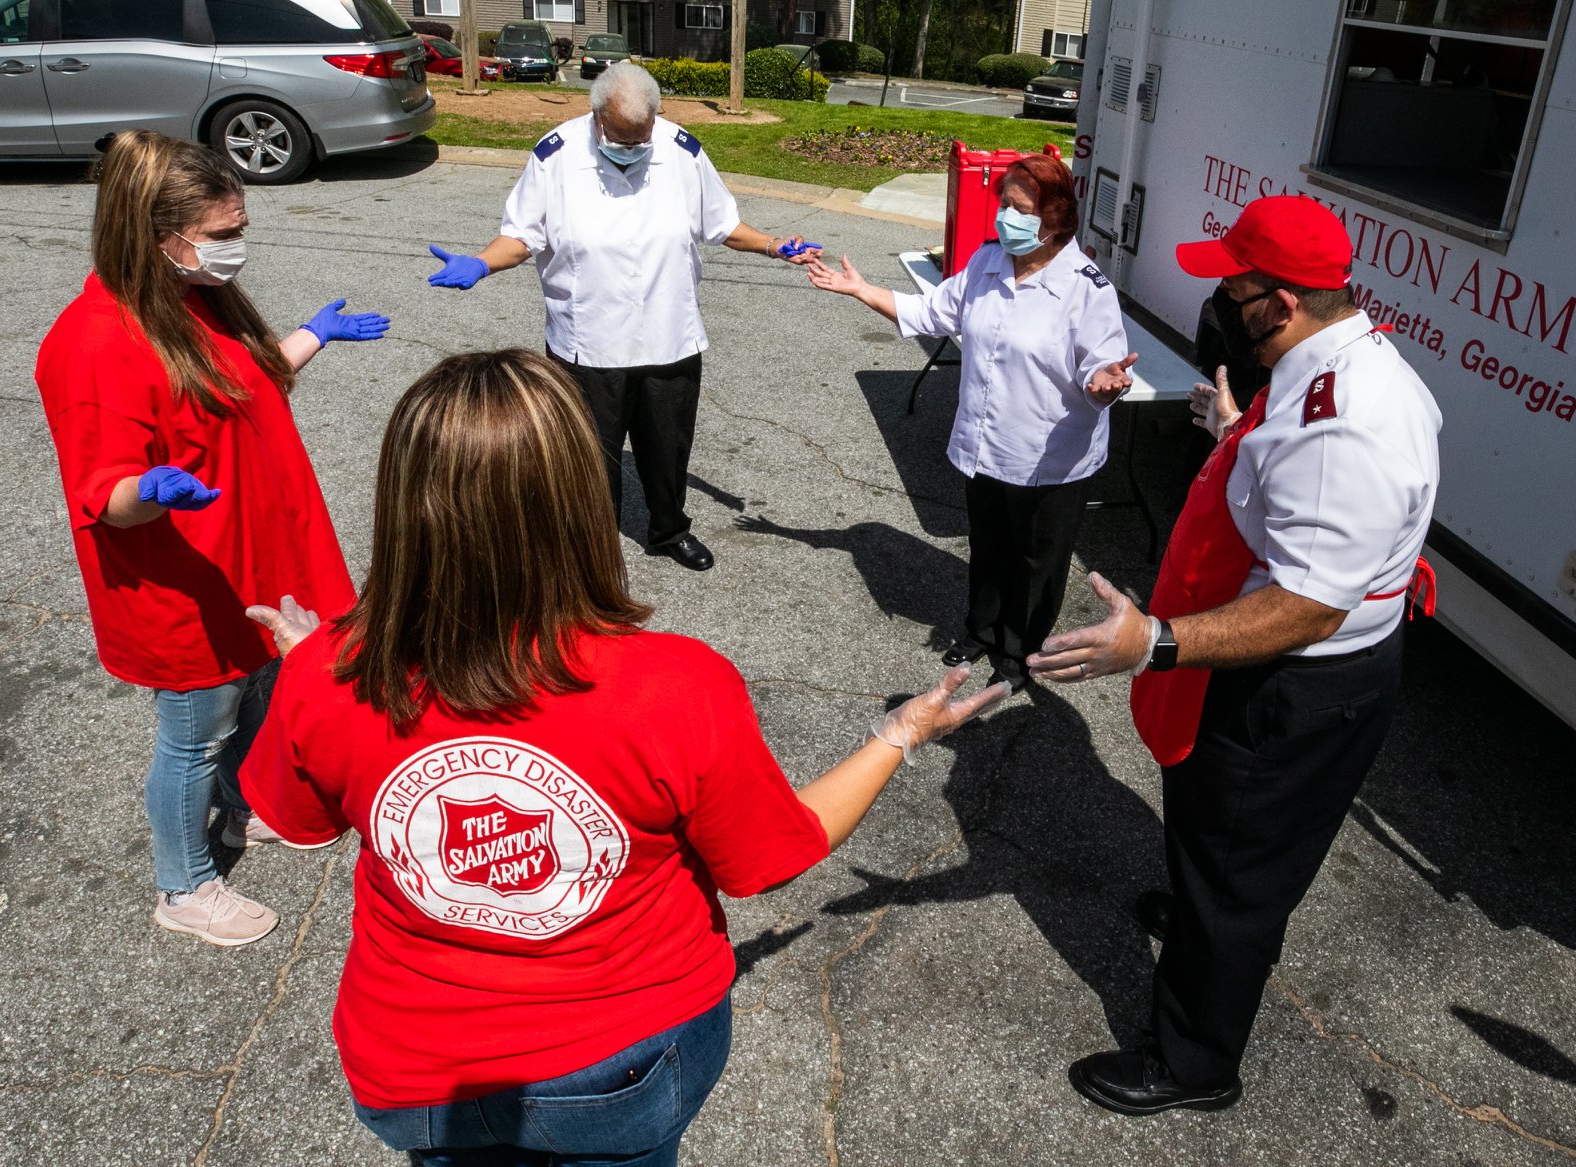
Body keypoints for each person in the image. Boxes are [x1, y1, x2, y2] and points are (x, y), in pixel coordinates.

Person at [238, 349, 1008, 1167]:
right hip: (624, 1057)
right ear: (580, 500)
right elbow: (770, 857)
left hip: (414, 1067)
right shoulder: (677, 684)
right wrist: (899, 734)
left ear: (401, 504)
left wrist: (316, 664)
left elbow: (303, 824)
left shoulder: (324, 674)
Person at [1027, 194, 1442, 1114]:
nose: (1218, 301)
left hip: (1291, 685)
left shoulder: (1345, 423)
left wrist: (1155, 641)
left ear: (1282, 302)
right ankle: (1201, 915)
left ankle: (1193, 1061)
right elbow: (1298, 500)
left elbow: (1307, 609)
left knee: (1240, 869)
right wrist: (1234, 431)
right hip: (1286, 674)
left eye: (1233, 289)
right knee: (1217, 836)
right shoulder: (1325, 361)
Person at [34, 129, 387, 947]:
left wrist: (310, 336)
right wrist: (147, 491)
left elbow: (242, 387)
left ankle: (239, 808)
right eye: (223, 233)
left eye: (239, 227)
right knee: (196, 734)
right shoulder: (95, 343)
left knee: (257, 694)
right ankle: (183, 882)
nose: (237, 245)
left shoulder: (191, 297)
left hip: (249, 561)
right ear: (162, 237)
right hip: (185, 584)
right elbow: (105, 495)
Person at [423, 62, 815, 573]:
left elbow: (722, 224)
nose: (630, 147)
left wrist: (773, 245)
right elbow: (521, 235)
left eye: (641, 136)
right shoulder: (556, 155)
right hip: (588, 341)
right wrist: (481, 262)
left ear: (656, 117)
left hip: (669, 335)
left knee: (668, 447)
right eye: (619, 137)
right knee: (589, 455)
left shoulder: (681, 150)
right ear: (597, 117)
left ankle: (669, 530)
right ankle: (592, 545)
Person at [803, 154, 1138, 690]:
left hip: (1047, 457)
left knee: (1036, 563)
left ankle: (1020, 651)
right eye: (1004, 204)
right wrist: (861, 290)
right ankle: (981, 630)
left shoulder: (1086, 287)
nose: (1006, 217)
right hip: (987, 445)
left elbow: (1101, 365)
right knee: (988, 547)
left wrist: (1104, 382)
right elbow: (932, 313)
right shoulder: (988, 261)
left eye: (1020, 209)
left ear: (1055, 218)